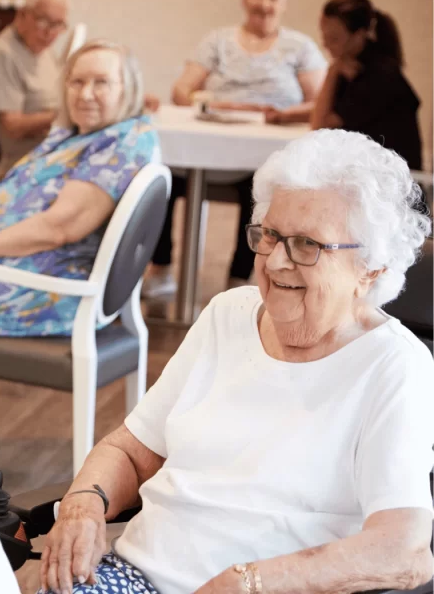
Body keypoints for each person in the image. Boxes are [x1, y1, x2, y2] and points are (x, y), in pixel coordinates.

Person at [38, 129, 434, 594]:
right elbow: (130, 450)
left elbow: (403, 550)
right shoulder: (228, 315)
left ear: (371, 268)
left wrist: (248, 582)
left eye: (307, 244)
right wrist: (83, 505)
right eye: (270, 235)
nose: (276, 262)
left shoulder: (392, 365)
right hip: (133, 577)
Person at [0, 41, 158, 336]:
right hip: (8, 270)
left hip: (38, 288)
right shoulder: (81, 136)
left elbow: (58, 227)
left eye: (101, 82)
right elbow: (32, 206)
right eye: (77, 81)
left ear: (127, 89)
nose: (85, 94)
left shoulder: (121, 144)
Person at [147, 0, 328, 296]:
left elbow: (320, 103)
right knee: (161, 176)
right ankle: (161, 268)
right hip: (208, 145)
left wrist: (279, 114)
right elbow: (181, 91)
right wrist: (220, 104)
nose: (264, 3)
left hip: (265, 154)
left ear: (284, 3)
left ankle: (239, 277)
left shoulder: (300, 47)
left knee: (261, 186)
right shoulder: (217, 41)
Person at [311, 0, 424, 172]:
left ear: (359, 35)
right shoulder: (353, 64)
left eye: (334, 39)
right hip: (374, 174)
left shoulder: (379, 75)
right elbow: (329, 110)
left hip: (395, 185)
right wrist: (284, 115)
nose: (325, 45)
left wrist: (332, 72)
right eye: (324, 36)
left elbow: (319, 127)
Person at [0, 0, 70, 178]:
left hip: (56, 150)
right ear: (22, 14)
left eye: (58, 25)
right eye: (44, 21)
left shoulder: (43, 50)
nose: (51, 33)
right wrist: (63, 115)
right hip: (28, 163)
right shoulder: (3, 53)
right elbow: (12, 127)